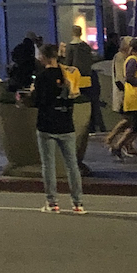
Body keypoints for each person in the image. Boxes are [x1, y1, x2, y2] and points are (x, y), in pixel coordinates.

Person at [18, 41, 86, 212]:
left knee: (48, 165)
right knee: (72, 165)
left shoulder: (41, 77)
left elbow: (38, 101)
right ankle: (77, 202)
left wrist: (29, 95)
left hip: (46, 124)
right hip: (66, 123)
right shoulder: (68, 73)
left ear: (44, 57)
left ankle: (52, 202)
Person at [68, 25, 104, 132]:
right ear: (81, 33)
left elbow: (68, 63)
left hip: (75, 80)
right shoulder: (86, 47)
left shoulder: (70, 47)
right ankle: (95, 125)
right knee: (92, 103)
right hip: (88, 78)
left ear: (72, 33)